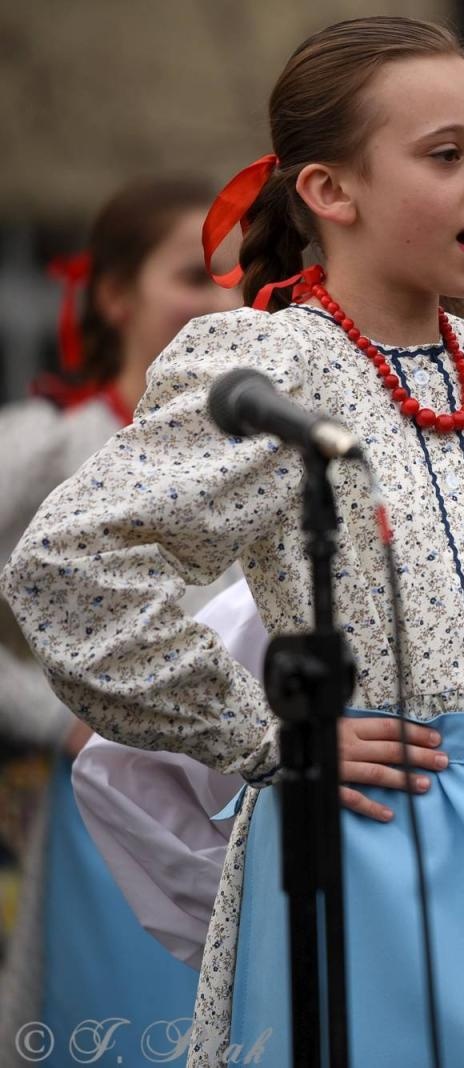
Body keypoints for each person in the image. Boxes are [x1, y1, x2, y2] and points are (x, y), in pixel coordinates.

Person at [3, 18, 464, 1068]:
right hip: (360, 838)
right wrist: (269, 735)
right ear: (331, 193)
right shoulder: (268, 369)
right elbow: (67, 572)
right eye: (446, 155)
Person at [0, 175, 239, 1065]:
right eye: (193, 275)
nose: (223, 300)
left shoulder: (271, 445)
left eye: (237, 279)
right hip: (114, 806)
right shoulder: (50, 444)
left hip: (259, 805)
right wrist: (48, 715)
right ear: (112, 294)